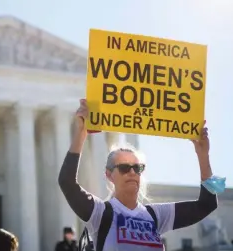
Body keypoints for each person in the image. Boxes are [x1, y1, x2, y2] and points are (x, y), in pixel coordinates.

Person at [58, 99, 221, 251]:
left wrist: (203, 155)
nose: (131, 172)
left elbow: (207, 204)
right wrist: (81, 133)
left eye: (137, 168)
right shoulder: (100, 213)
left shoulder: (156, 215)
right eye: (123, 167)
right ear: (109, 175)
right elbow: (67, 182)